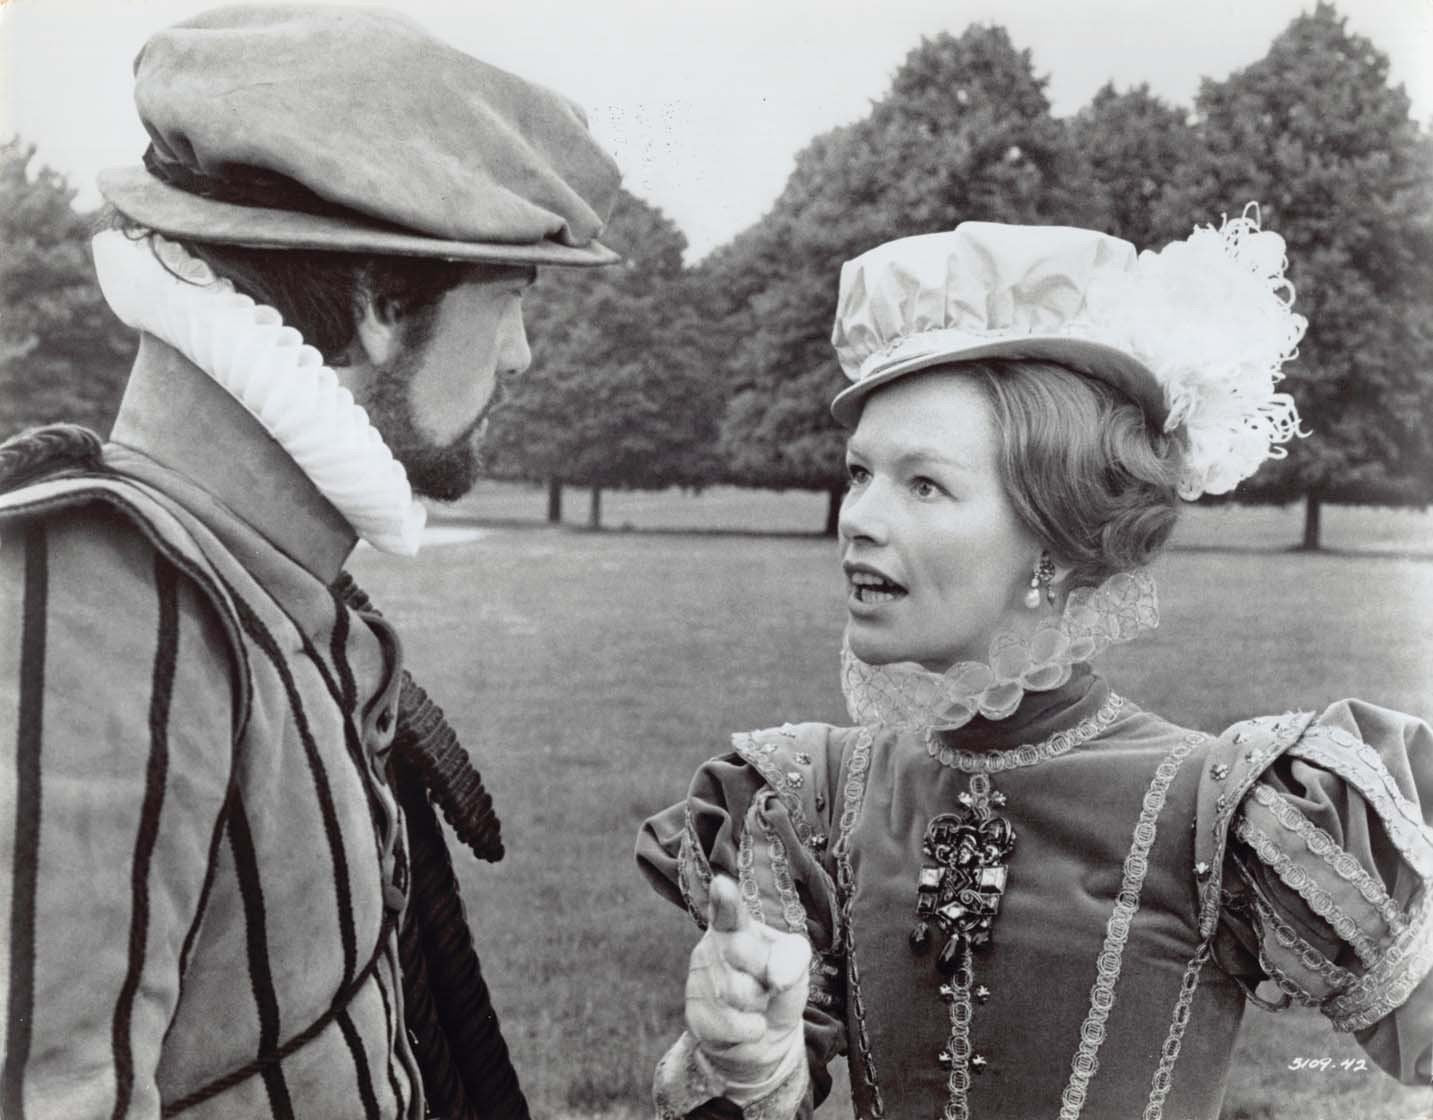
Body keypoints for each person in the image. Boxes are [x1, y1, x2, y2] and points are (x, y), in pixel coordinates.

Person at [637, 211, 1433, 1118]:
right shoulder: (809, 799)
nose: (858, 516)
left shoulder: (1227, 812)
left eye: (923, 483)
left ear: (1050, 541)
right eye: (859, 473)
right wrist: (748, 1058)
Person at [0, 5, 620, 1118]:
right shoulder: (103, 601)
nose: (522, 356)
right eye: (514, 298)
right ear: (384, 305)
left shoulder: (252, 588)